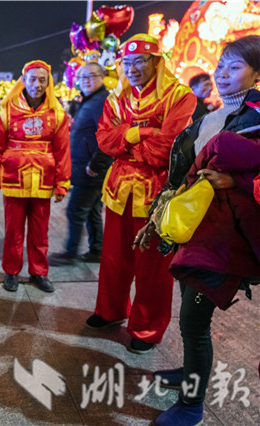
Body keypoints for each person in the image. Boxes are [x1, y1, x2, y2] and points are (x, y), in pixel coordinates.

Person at [130, 35, 260, 426]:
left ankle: (191, 404)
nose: (222, 73)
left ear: (257, 74)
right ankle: (190, 375)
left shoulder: (256, 119)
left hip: (227, 238)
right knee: (189, 307)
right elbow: (184, 172)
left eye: (234, 67)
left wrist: (233, 183)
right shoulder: (212, 116)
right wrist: (159, 217)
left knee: (193, 321)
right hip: (196, 228)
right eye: (220, 65)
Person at [85, 34, 196, 355]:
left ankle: (146, 328)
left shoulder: (179, 96)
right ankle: (110, 310)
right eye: (127, 62)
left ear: (157, 62)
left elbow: (169, 147)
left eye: (141, 61)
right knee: (114, 258)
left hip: (157, 192)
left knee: (153, 267)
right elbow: (104, 140)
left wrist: (129, 141)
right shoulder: (115, 98)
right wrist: (143, 131)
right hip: (119, 189)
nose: (132, 68)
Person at [0, 60, 71, 293]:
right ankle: (11, 271)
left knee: (40, 231)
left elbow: (62, 150)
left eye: (43, 80)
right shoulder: (7, 109)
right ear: (23, 80)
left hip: (44, 179)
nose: (37, 84)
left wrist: (63, 183)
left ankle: (38, 272)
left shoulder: (57, 112)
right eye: (32, 79)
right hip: (14, 179)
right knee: (13, 230)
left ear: (48, 82)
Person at [49, 63, 112, 266]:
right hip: (88, 168)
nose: (85, 80)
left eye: (91, 76)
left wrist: (96, 165)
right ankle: (97, 250)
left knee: (75, 211)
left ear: (102, 76)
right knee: (92, 211)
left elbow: (108, 137)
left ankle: (70, 253)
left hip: (91, 170)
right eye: (81, 77)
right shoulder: (91, 100)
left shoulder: (102, 101)